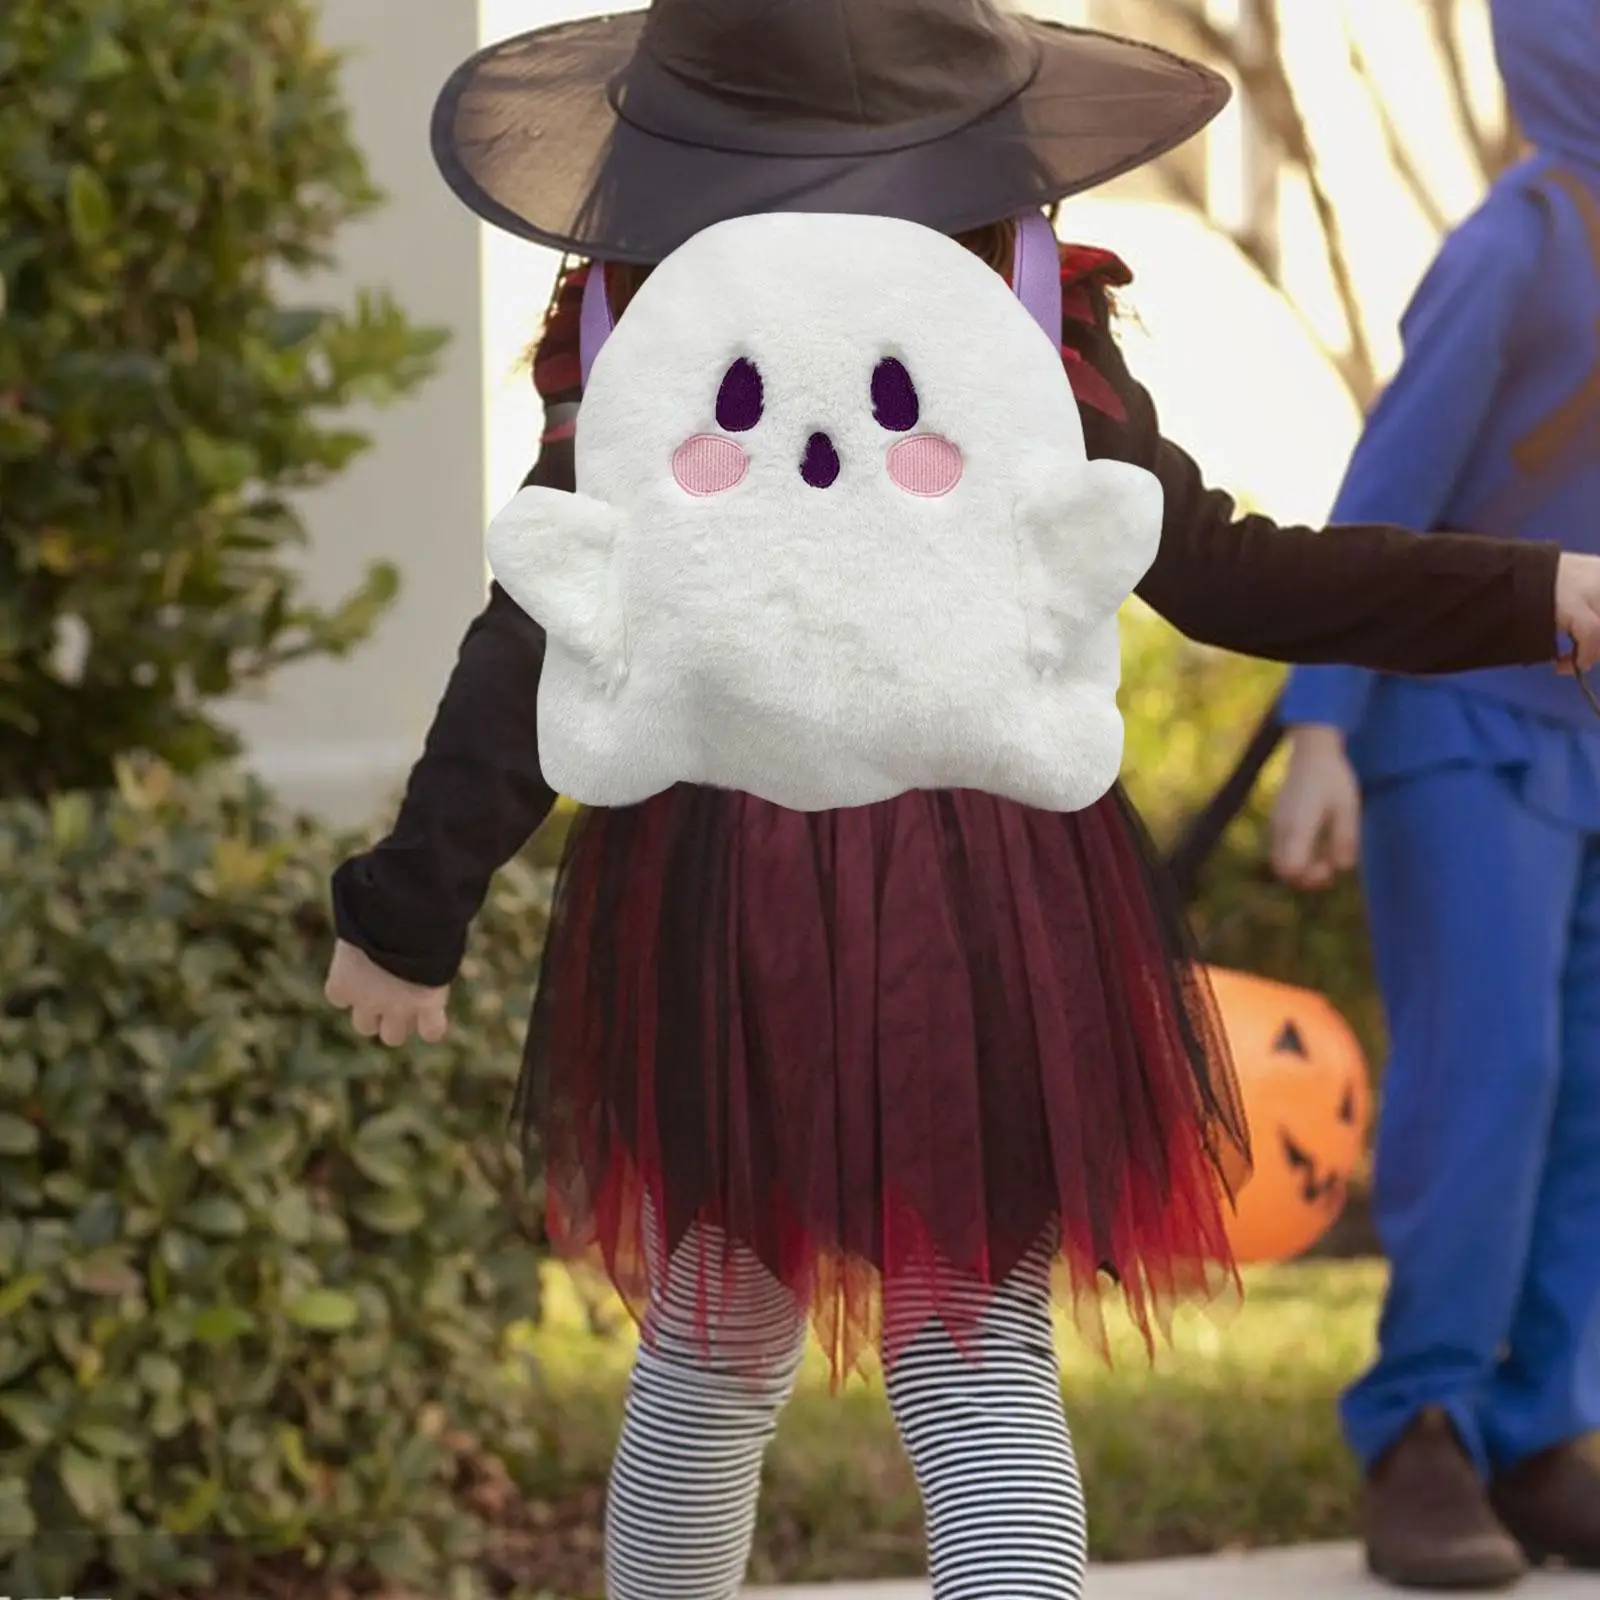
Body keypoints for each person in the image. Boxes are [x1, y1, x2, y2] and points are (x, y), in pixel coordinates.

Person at [327, 2, 1600, 1596]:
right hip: (967, 882)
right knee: (966, 1345)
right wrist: (1535, 590)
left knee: (718, 1340)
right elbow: (1217, 570)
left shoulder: (652, 311)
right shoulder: (1015, 300)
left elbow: (544, 618)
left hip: (725, 890)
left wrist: (412, 903)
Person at [1272, 0, 1600, 1588]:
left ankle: (1539, 1434)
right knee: (1497, 1074)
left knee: (1591, 1094)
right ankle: (1420, 1436)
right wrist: (1318, 731)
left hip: (1595, 741)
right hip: (1460, 727)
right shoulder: (1520, 243)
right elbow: (1382, 497)